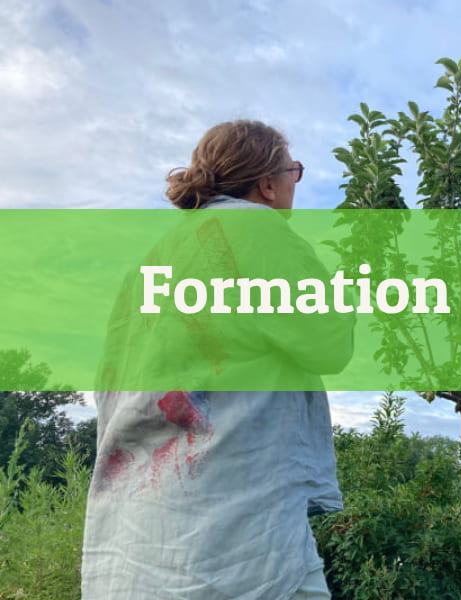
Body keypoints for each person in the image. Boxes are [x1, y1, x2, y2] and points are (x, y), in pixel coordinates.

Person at [81, 120, 355, 599]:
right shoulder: (262, 235)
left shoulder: (153, 259)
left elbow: (109, 384)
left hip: (145, 525)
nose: (296, 182)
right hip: (242, 525)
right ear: (267, 184)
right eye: (293, 171)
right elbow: (330, 345)